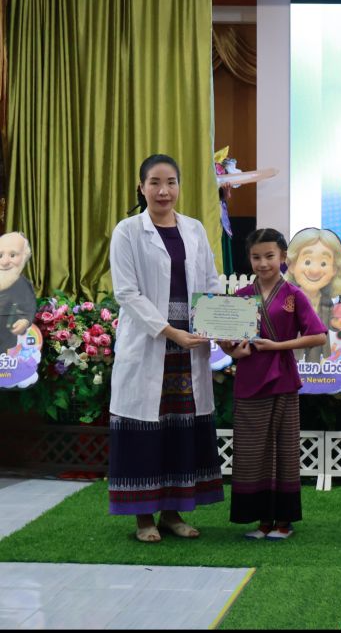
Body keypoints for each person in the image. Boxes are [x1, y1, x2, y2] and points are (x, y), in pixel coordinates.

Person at [108, 154, 225, 542]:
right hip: (152, 340)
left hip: (189, 345)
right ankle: (144, 518)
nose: (163, 191)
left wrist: (223, 327)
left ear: (179, 186)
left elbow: (210, 282)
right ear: (141, 188)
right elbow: (126, 293)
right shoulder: (127, 231)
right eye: (155, 183)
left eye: (171, 182)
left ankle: (173, 513)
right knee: (145, 428)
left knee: (180, 428)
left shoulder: (193, 229)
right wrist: (170, 332)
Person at [221, 228, 327, 540]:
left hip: (282, 379)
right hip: (249, 378)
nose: (263, 263)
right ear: (249, 259)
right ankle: (261, 521)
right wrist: (232, 350)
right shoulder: (241, 297)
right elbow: (229, 342)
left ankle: (283, 522)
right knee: (250, 451)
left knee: (283, 450)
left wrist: (278, 346)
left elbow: (318, 336)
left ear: (283, 257)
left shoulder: (294, 295)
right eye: (256, 257)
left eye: (269, 256)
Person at [284, 227, 341, 362]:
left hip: (322, 365)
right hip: (290, 363)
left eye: (324, 263)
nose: (315, 270)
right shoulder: (286, 302)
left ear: (335, 269)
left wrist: (339, 324)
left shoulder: (329, 304)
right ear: (292, 265)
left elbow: (334, 333)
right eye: (307, 261)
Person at [0, 232, 36, 354]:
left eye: (13, 255)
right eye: (0, 255)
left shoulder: (22, 284)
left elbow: (29, 307)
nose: (5, 262)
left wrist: (24, 321)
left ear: (24, 257)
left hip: (6, 339)